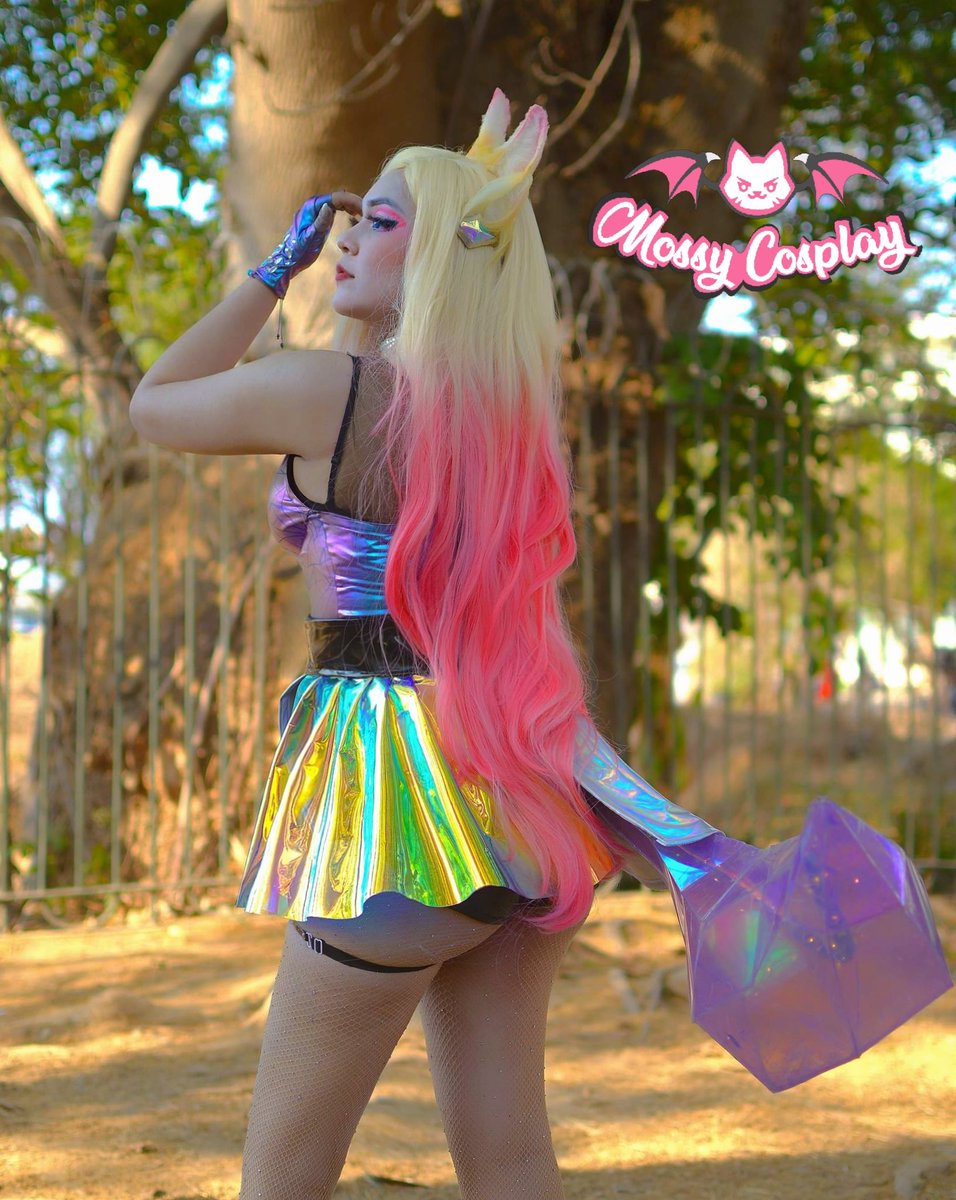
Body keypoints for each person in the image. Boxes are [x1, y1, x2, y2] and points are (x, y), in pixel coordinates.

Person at [128, 87, 951, 1198]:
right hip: (526, 812)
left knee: (284, 1173)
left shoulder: (329, 390)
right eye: (348, 220)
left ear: (437, 257)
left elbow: (156, 403)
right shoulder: (502, 424)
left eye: (377, 220)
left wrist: (276, 270)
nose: (346, 235)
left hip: (395, 819)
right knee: (510, 1158)